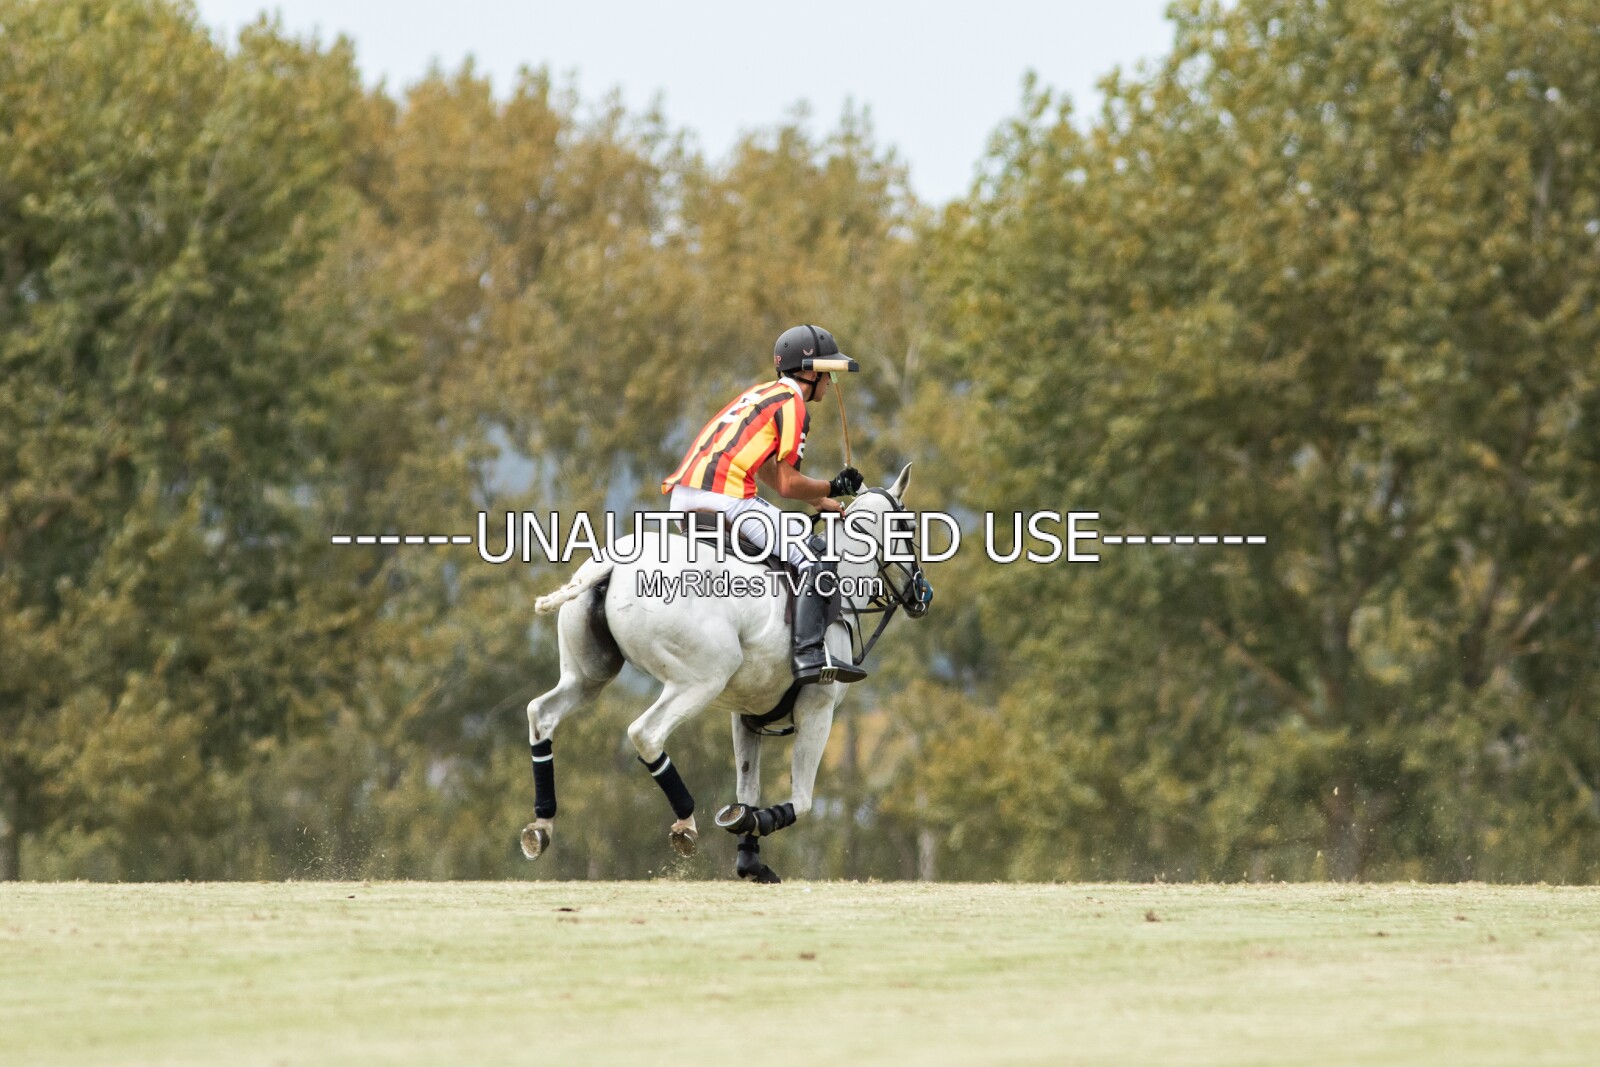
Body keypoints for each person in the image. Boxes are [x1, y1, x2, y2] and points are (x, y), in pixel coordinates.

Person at [660, 324, 867, 685]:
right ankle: (809, 654)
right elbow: (787, 484)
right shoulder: (793, 405)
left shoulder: (761, 393)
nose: (832, 381)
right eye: (828, 372)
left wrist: (820, 499)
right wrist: (836, 486)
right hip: (725, 497)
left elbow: (769, 469)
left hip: (683, 496)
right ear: (810, 372)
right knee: (815, 557)